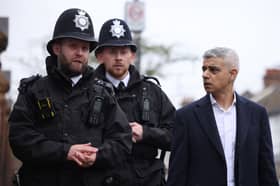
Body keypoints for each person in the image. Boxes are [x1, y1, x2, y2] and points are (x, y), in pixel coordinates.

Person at [8, 8, 132, 186]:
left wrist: (98, 155)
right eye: (73, 46)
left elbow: (123, 140)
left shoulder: (103, 94)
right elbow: (20, 138)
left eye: (84, 48)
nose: (80, 53)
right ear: (57, 48)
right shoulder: (34, 90)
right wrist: (65, 152)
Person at [167, 47, 279, 186]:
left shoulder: (257, 114)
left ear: (232, 74)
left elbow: (267, 169)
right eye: (204, 69)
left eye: (213, 70)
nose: (205, 75)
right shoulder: (186, 116)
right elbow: (177, 174)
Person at [93, 18, 175, 186]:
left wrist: (146, 133)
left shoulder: (152, 92)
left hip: (147, 180)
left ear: (132, 55)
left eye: (123, 52)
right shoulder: (87, 92)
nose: (118, 58)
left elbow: (178, 135)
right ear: (100, 56)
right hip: (101, 177)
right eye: (112, 52)